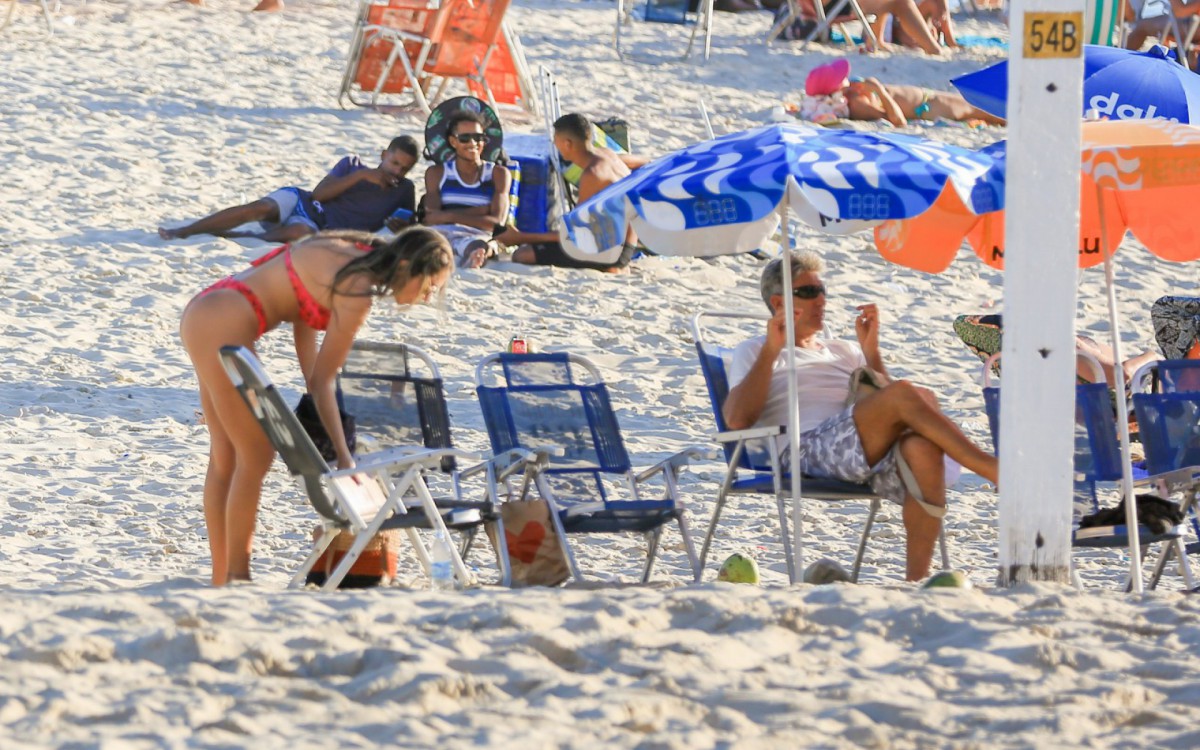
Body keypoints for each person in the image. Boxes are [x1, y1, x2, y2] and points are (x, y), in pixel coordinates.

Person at [179, 227, 454, 586]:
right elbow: (326, 380)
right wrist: (344, 454)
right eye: (430, 285)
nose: (430, 296)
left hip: (209, 308)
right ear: (406, 265)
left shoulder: (347, 251)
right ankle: (237, 578)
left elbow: (302, 322)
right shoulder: (357, 290)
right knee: (255, 454)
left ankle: (223, 579)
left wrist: (315, 389)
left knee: (227, 457)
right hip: (226, 321)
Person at [723, 251, 999, 582]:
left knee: (921, 445)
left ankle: (916, 581)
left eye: (822, 290)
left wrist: (871, 354)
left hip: (858, 453)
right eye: (809, 292)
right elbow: (737, 420)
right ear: (780, 303)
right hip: (804, 450)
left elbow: (891, 404)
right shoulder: (754, 350)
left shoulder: (843, 350)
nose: (821, 299)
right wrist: (772, 349)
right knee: (906, 393)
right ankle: (989, 467)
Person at [158, 136, 420, 242]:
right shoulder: (353, 165)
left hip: (321, 227)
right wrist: (362, 176)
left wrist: (402, 226)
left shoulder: (404, 190)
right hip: (303, 202)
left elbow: (407, 225)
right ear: (384, 154)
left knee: (298, 232)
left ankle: (231, 237)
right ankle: (186, 230)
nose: (396, 171)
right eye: (394, 163)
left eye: (403, 169)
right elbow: (319, 194)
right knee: (260, 208)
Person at [497, 113, 638, 273]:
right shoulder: (607, 154)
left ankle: (611, 268)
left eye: (555, 139)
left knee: (523, 255)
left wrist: (520, 237)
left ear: (567, 144)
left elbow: (573, 233)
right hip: (628, 244)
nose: (554, 145)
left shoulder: (593, 174)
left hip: (613, 253)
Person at [422, 111, 512, 269]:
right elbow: (430, 218)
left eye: (478, 138)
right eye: (465, 138)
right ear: (453, 141)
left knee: (479, 245)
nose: (473, 143)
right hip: (441, 233)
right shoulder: (437, 173)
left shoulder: (498, 174)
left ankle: (475, 257)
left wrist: (448, 215)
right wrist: (480, 212)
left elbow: (496, 224)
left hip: (476, 236)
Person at [800, 59, 1005, 127]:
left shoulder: (851, 92)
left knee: (986, 104)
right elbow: (897, 121)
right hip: (928, 107)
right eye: (840, 78)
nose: (846, 77)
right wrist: (879, 90)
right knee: (985, 110)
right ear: (833, 89)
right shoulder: (856, 105)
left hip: (928, 97)